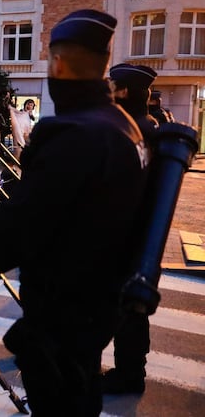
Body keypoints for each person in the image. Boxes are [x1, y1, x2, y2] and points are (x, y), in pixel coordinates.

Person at [0, 9, 148, 415]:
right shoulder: (120, 126)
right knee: (82, 394)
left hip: (65, 305)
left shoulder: (73, 132)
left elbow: (25, 225)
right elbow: (59, 208)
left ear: (57, 63)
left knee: (61, 404)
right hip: (99, 304)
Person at [101, 62, 159, 394]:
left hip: (127, 237)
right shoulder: (148, 125)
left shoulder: (132, 131)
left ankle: (129, 376)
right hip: (142, 236)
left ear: (123, 91)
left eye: (112, 85)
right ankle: (131, 373)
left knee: (126, 309)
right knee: (132, 309)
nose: (108, 89)